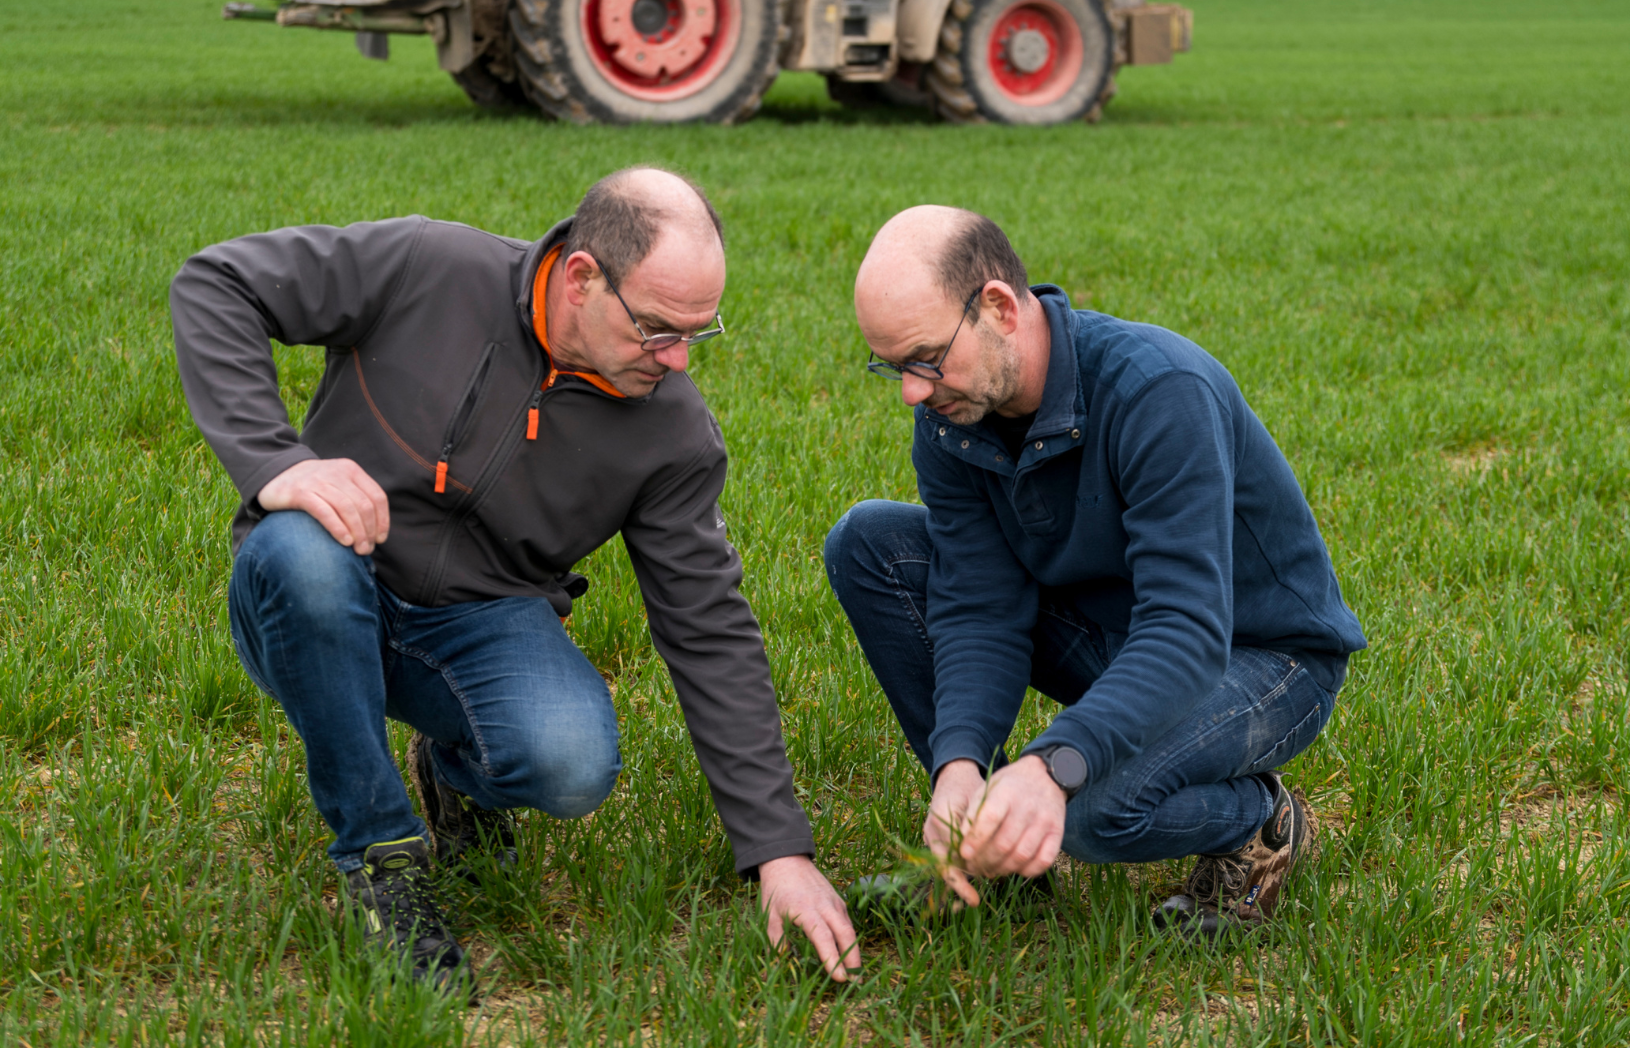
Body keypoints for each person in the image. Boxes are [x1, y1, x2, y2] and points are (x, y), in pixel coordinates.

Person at [171, 167, 859, 990]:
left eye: (698, 333)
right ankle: (385, 861)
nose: (676, 360)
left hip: (478, 623)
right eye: (657, 329)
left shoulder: (673, 434)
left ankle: (452, 772)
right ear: (581, 278)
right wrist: (277, 462)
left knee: (571, 762)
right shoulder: (429, 266)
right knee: (300, 553)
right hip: (312, 589)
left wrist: (777, 850)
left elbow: (708, 629)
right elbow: (217, 281)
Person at [824, 206, 1366, 936]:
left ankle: (1259, 822)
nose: (912, 392)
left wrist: (1055, 764)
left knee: (1091, 809)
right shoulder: (953, 418)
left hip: (1261, 658)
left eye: (925, 358)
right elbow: (980, 603)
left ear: (998, 308)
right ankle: (996, 851)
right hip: (1114, 632)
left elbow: (1186, 628)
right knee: (869, 543)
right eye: (892, 367)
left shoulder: (1159, 391)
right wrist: (960, 761)